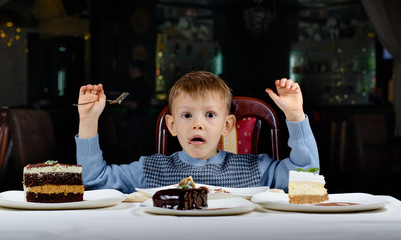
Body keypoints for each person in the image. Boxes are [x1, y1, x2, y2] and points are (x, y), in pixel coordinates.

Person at [76, 71, 318, 194]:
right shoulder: (151, 170)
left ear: (227, 125)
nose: (197, 124)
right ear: (172, 125)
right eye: (187, 115)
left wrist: (295, 114)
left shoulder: (255, 169)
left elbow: (306, 175)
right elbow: (94, 180)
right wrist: (88, 120)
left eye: (210, 115)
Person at [119, 59, 152, 157]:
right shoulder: (146, 83)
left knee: (131, 151)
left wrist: (120, 102)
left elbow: (134, 105)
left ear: (136, 69)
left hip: (136, 120)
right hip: (142, 119)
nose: (129, 71)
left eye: (130, 69)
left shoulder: (136, 84)